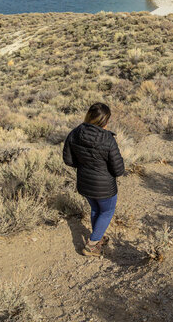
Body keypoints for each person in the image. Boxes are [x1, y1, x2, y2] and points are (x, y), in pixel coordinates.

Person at [62, 102, 125, 256]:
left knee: (96, 209)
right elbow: (118, 170)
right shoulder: (107, 139)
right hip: (105, 187)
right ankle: (92, 245)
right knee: (107, 211)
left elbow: (68, 160)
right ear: (105, 120)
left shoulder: (75, 133)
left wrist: (84, 166)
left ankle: (97, 236)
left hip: (85, 183)